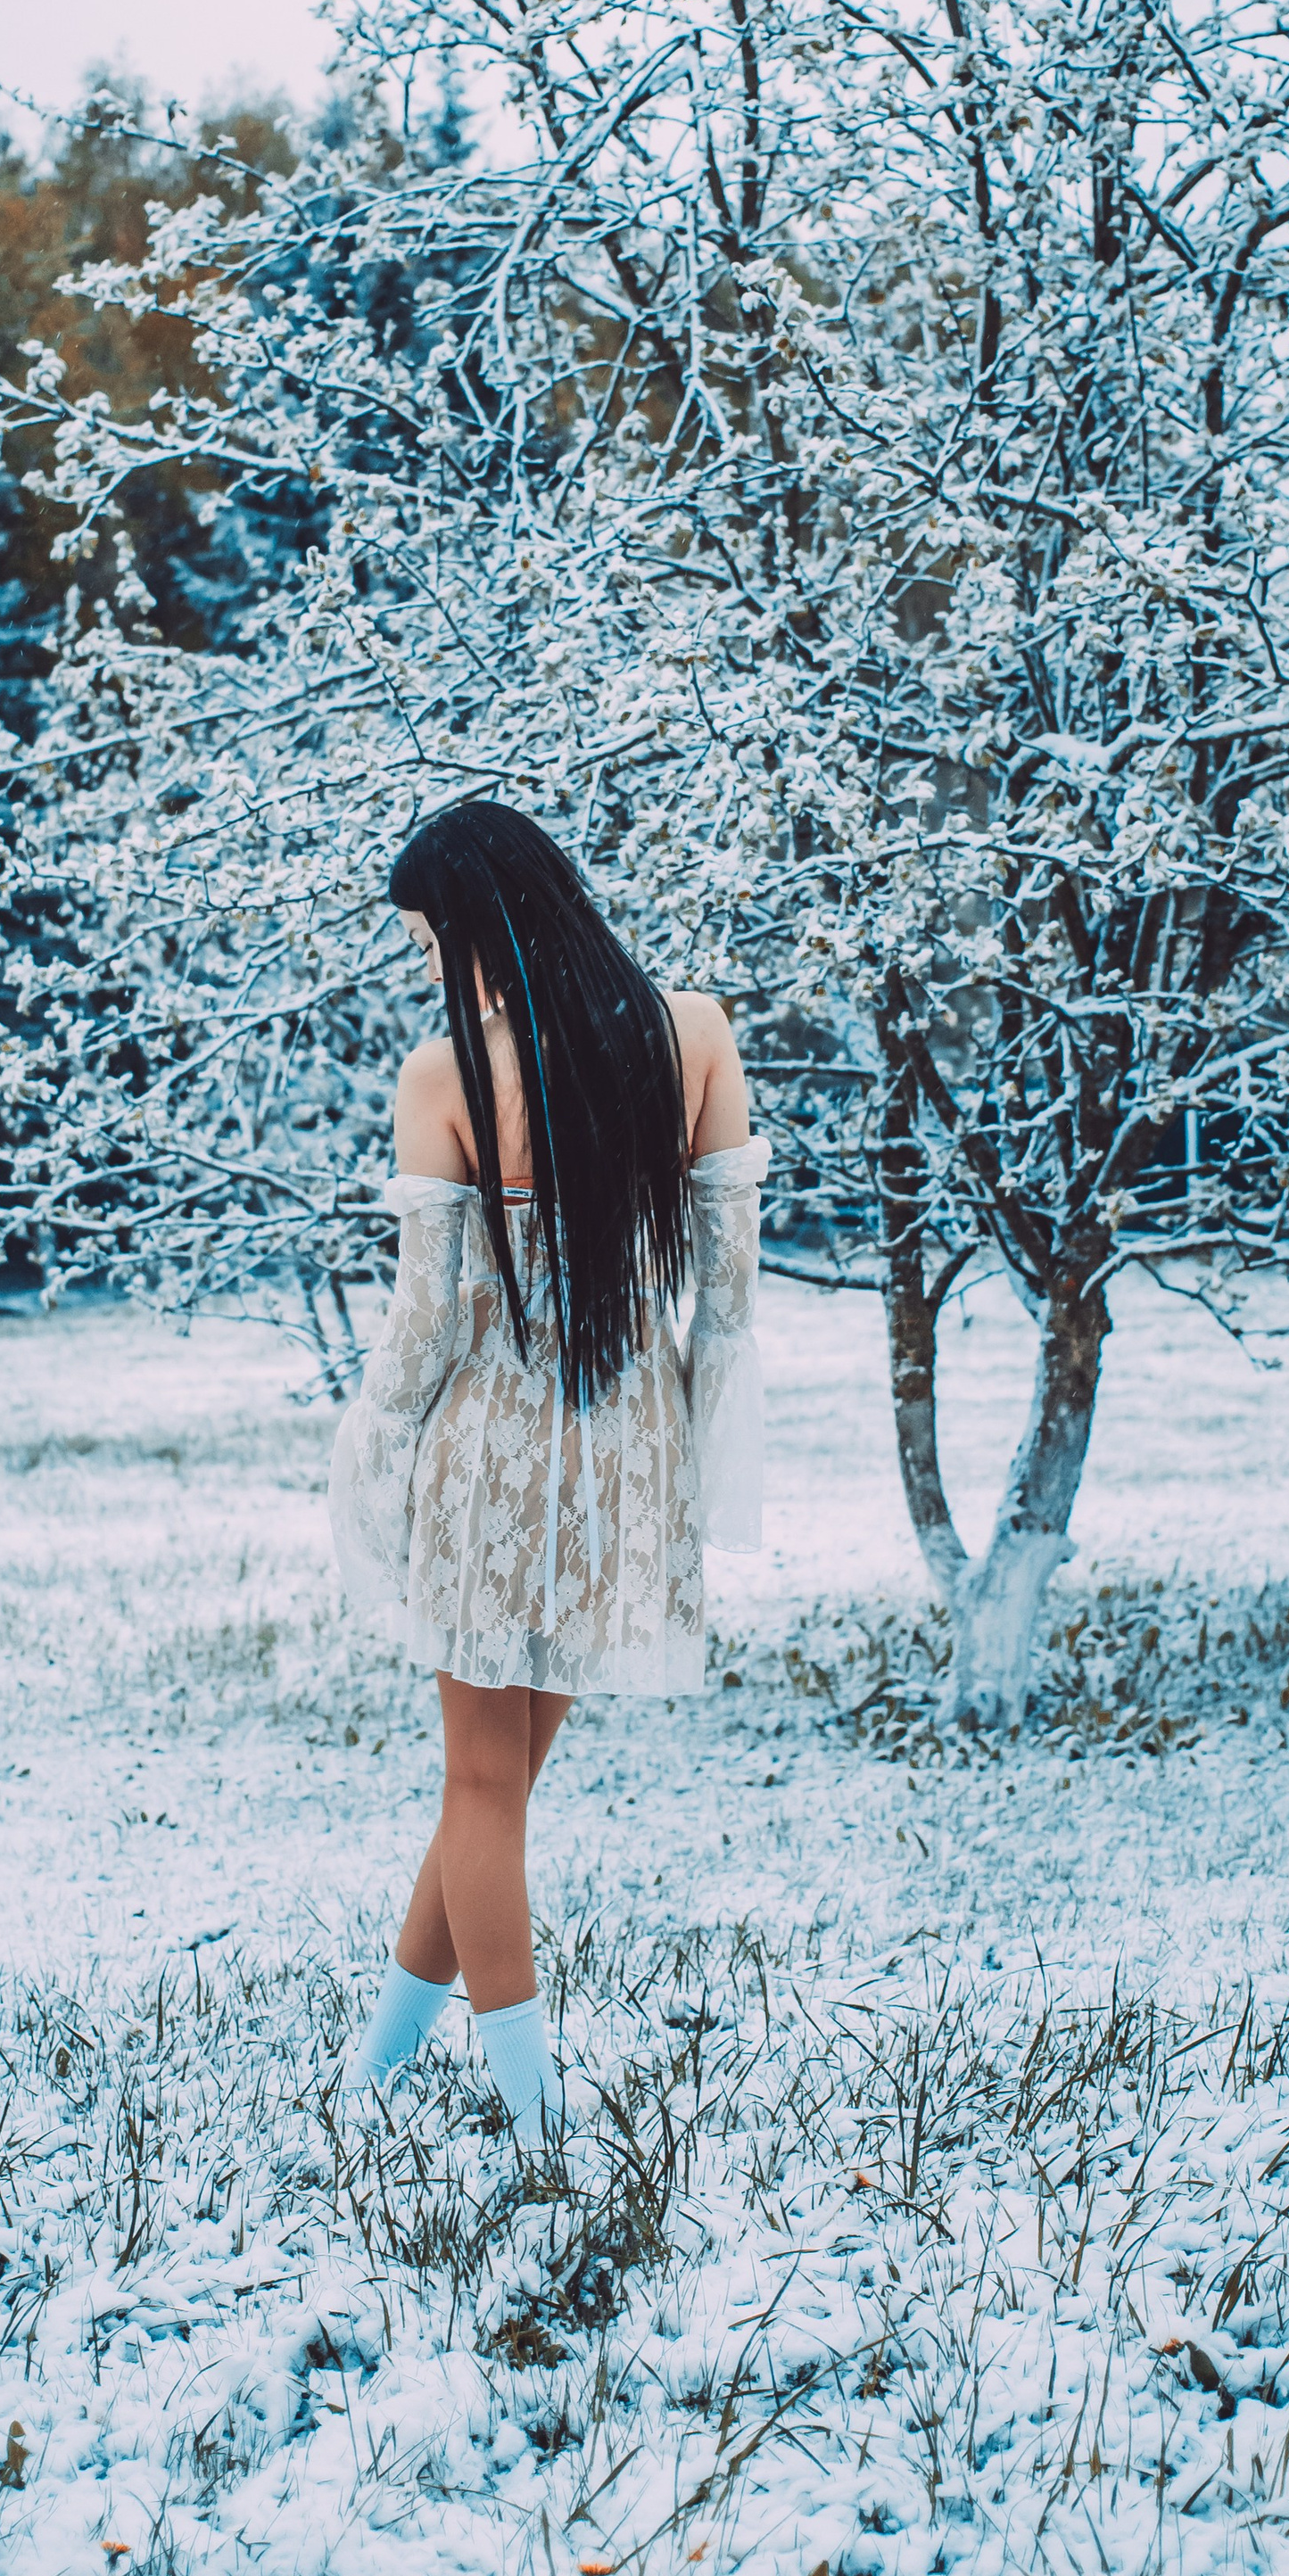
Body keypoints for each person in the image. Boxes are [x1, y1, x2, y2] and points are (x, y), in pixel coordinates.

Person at [327, 798, 767, 2130]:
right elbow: (729, 1296)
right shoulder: (692, 1035)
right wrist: (699, 1467)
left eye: (434, 945)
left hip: (491, 1464)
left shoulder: (443, 1081)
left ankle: (534, 2120)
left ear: (487, 926)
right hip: (626, 1466)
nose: (434, 976)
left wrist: (368, 1452)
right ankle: (376, 2076)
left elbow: (426, 1326)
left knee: (479, 1787)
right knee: (498, 1791)